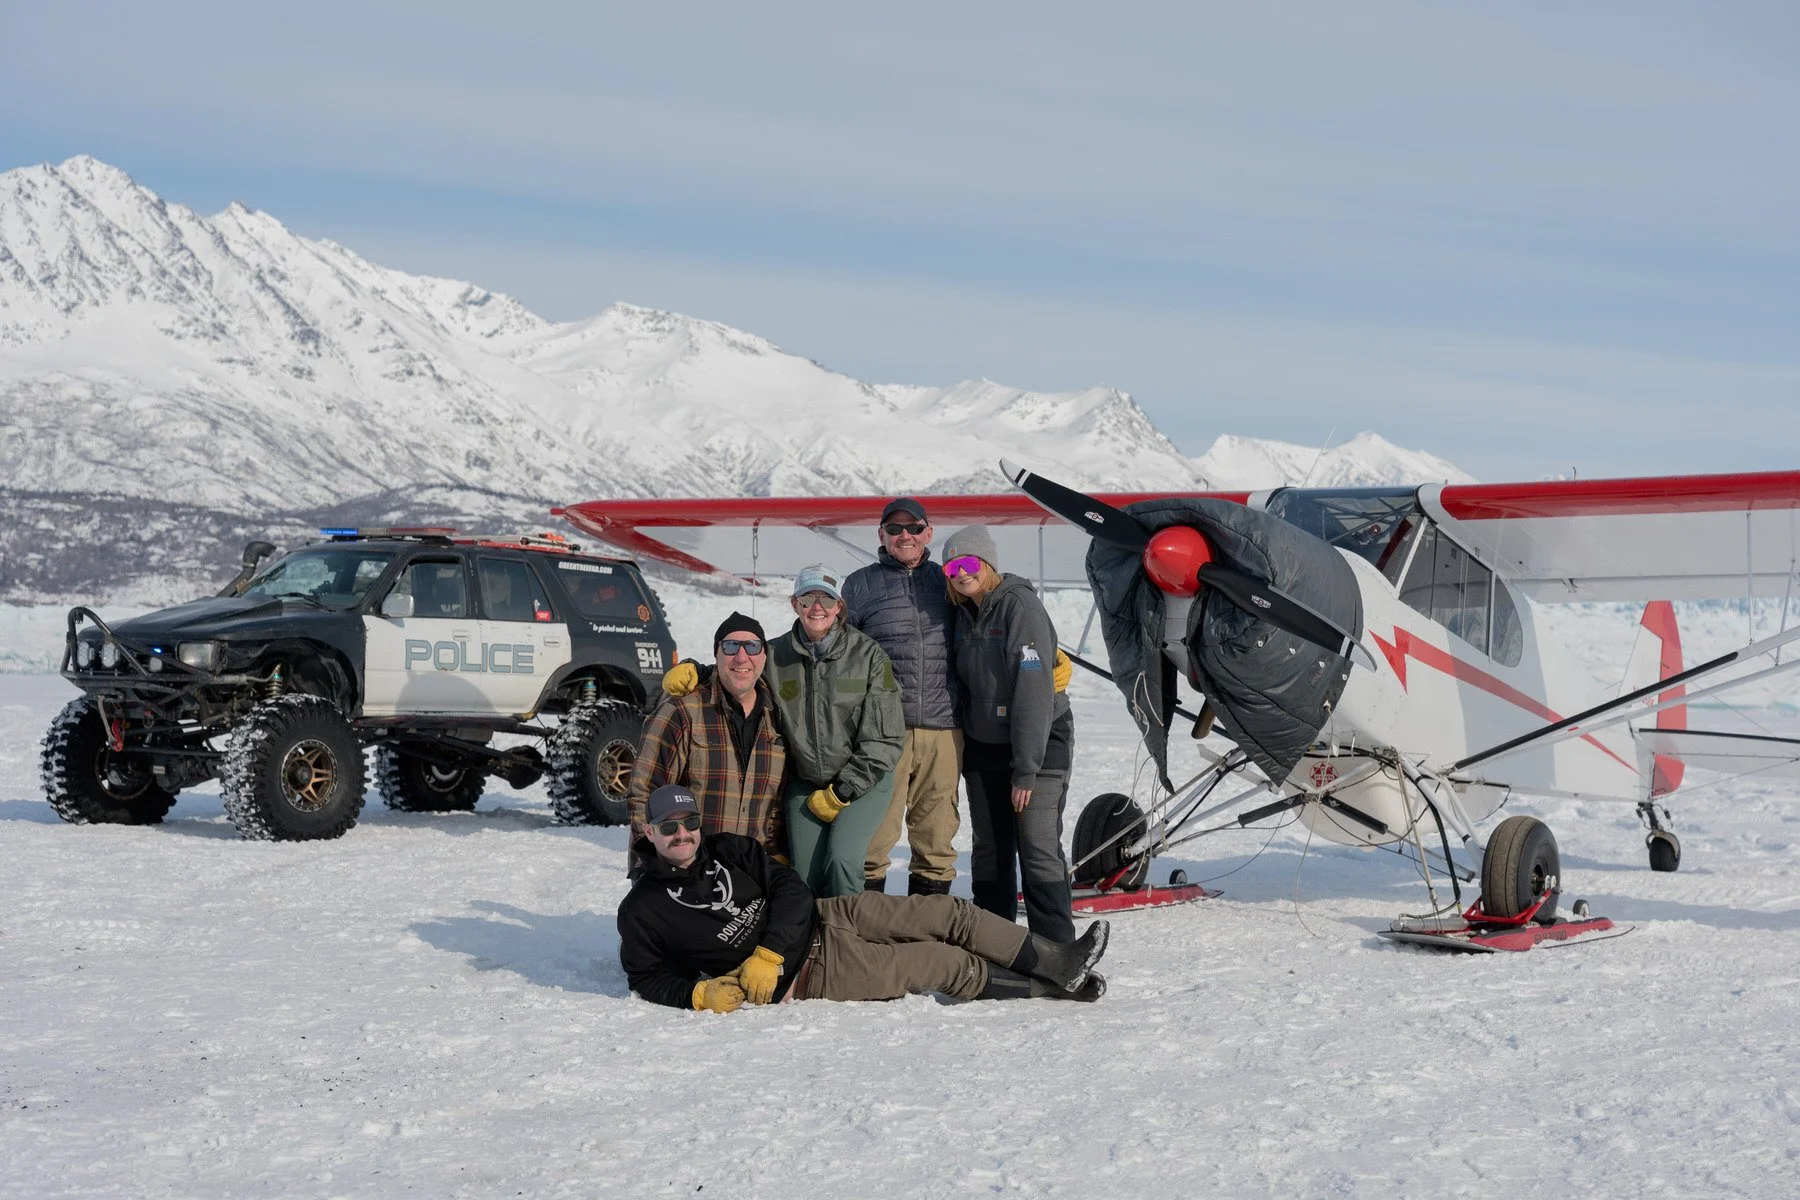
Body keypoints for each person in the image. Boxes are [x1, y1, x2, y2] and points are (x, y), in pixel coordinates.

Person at [618, 784, 1109, 1011]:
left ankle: (1059, 959)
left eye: (690, 822)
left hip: (829, 915)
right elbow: (647, 976)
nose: (683, 834)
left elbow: (789, 888)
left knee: (948, 911)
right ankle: (1053, 990)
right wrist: (698, 994)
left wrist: (768, 949)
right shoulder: (642, 911)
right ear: (650, 833)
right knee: (943, 963)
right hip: (816, 972)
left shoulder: (730, 848)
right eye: (670, 827)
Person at [942, 524, 1079, 941]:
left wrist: (1025, 770)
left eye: (968, 562)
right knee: (990, 852)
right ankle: (997, 945)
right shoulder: (962, 612)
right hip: (985, 746)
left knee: (1036, 847)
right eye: (951, 567)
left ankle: (1056, 950)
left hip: (1037, 743)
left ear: (987, 563)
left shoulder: (1020, 607)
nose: (961, 573)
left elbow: (1033, 689)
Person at [840, 497, 962, 896]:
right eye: (895, 529)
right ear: (882, 535)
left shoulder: (950, 580)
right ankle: (868, 932)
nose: (904, 535)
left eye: (913, 528)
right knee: (876, 834)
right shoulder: (860, 584)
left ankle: (925, 936)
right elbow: (840, 656)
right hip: (884, 731)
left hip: (945, 728)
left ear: (929, 533)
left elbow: (993, 617)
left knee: (936, 837)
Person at [627, 612, 787, 853]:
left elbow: (776, 806)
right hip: (689, 871)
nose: (741, 657)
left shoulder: (778, 717)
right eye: (731, 646)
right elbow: (644, 795)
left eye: (752, 647)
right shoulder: (681, 711)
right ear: (717, 654)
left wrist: (775, 863)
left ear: (764, 655)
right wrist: (653, 866)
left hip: (750, 874)